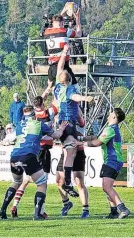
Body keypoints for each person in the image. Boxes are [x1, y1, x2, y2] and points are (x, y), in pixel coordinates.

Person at [0, 106, 66, 221]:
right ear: (34, 115)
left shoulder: (19, 125)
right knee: (42, 183)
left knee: (16, 182)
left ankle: (3, 209)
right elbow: (56, 136)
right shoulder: (39, 124)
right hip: (28, 156)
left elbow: (13, 137)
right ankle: (37, 214)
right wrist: (61, 128)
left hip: (14, 156)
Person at [78, 108, 130, 219]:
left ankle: (123, 209)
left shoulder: (110, 129)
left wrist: (82, 143)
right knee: (106, 187)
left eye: (111, 113)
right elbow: (96, 137)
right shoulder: (111, 129)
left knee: (107, 187)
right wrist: (80, 138)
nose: (109, 114)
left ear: (114, 116)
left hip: (112, 160)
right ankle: (114, 212)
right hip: (112, 161)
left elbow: (98, 142)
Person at [50, 64, 93, 197]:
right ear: (69, 81)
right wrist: (85, 98)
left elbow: (59, 72)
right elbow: (75, 96)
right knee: (70, 153)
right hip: (68, 124)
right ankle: (67, 182)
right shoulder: (69, 90)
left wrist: (63, 53)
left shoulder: (57, 87)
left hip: (63, 123)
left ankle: (67, 182)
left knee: (70, 151)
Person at [44, 10, 82, 86]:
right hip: (63, 66)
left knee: (53, 89)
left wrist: (63, 11)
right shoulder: (64, 31)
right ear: (62, 23)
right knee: (74, 87)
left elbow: (57, 24)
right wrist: (77, 19)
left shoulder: (47, 31)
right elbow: (79, 34)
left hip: (52, 67)